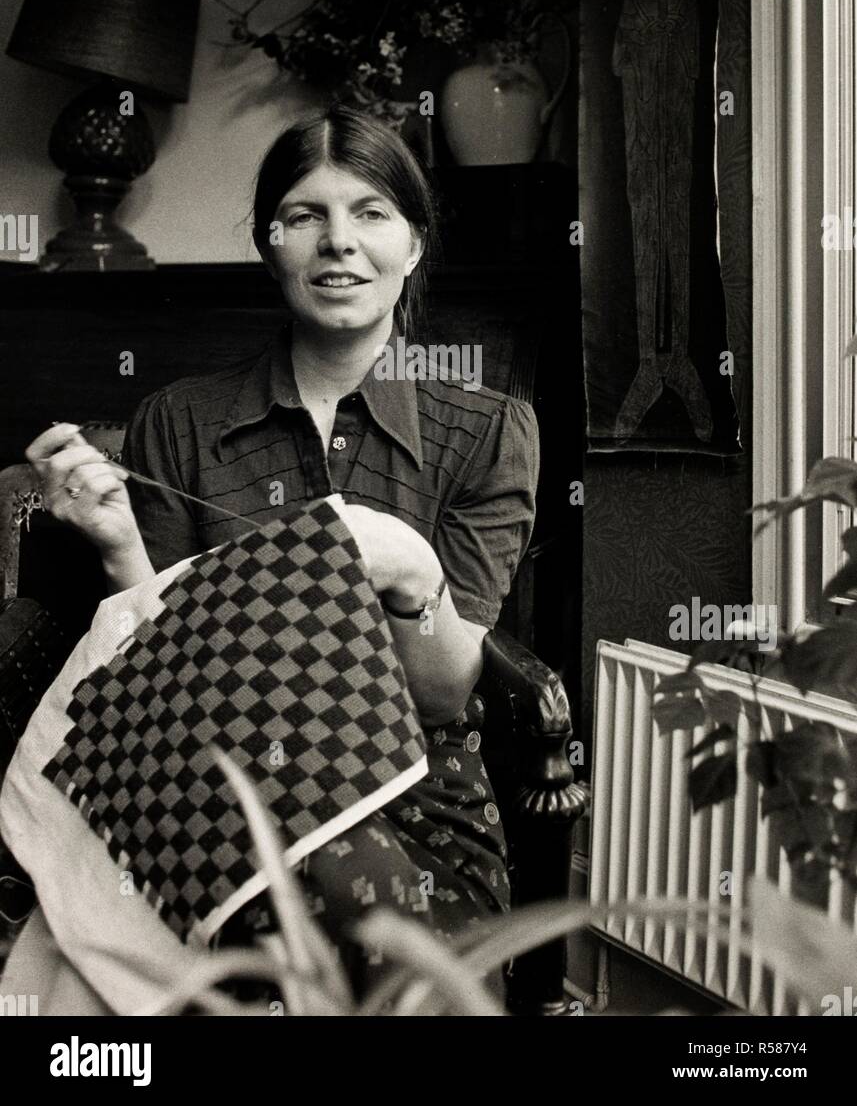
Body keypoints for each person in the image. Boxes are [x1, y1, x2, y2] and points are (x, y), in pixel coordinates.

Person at [25, 105, 540, 996]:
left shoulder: (489, 431)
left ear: (413, 245)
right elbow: (159, 671)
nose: (338, 243)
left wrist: (415, 574)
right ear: (270, 245)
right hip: (212, 770)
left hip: (413, 783)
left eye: (372, 213)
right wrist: (116, 544)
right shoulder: (179, 418)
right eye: (305, 216)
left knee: (399, 948)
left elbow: (447, 692)